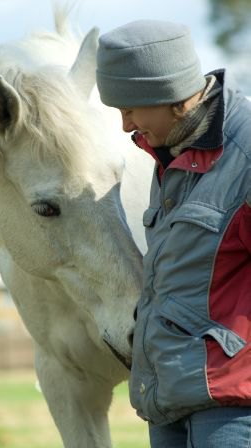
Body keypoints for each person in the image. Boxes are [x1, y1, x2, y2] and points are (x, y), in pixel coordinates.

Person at [96, 19, 251, 448]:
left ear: (167, 94)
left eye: (129, 107)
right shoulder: (169, 153)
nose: (126, 124)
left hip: (231, 407)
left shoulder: (246, 152)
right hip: (166, 396)